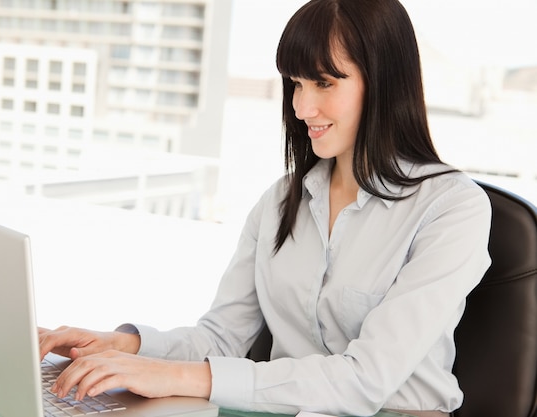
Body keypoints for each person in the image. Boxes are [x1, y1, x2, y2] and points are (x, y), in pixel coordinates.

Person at [38, 1, 492, 416]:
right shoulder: (280, 201)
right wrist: (124, 347)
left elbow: (365, 379)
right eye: (295, 83)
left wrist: (171, 377)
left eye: (324, 82)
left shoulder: (453, 209)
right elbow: (221, 339)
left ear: (385, 81)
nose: (300, 106)